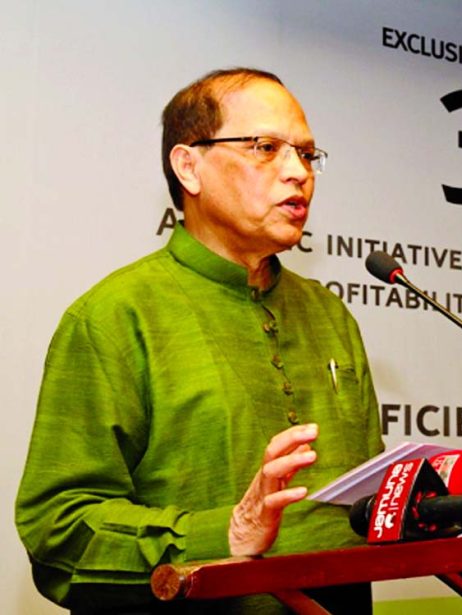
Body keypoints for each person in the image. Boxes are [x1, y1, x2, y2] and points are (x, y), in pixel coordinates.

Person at [15, 68, 384, 614]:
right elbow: (57, 531)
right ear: (189, 166)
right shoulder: (114, 316)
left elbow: (366, 505)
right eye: (265, 148)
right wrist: (226, 534)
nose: (297, 173)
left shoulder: (330, 314)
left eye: (307, 155)